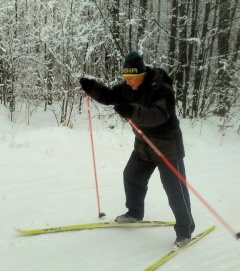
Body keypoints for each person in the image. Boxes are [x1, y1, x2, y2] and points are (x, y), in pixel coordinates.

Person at [80, 51, 195, 247]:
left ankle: (185, 229)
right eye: (126, 78)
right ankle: (134, 213)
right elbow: (109, 96)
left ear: (142, 75)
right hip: (144, 145)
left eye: (132, 79)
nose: (129, 82)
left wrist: (132, 110)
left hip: (167, 147)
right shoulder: (128, 87)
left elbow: (159, 114)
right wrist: (92, 88)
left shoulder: (161, 89)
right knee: (132, 176)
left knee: (175, 190)